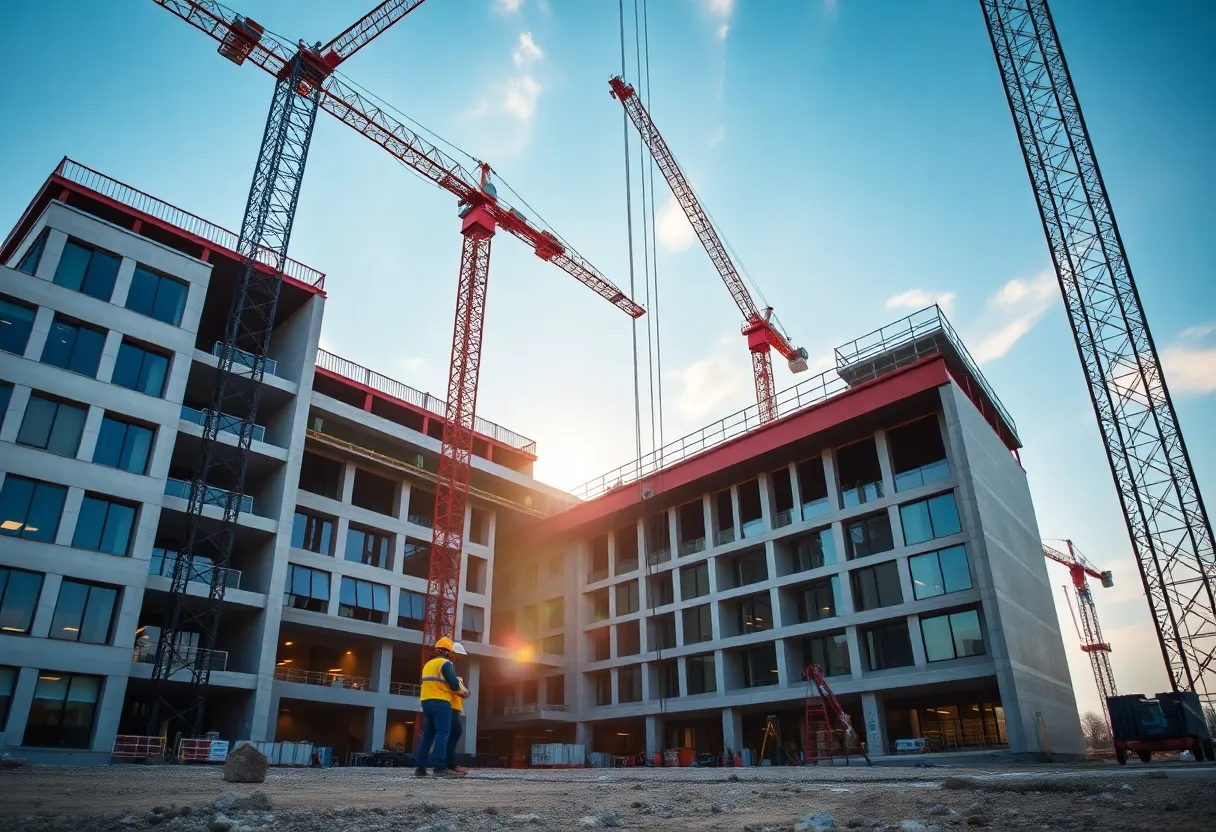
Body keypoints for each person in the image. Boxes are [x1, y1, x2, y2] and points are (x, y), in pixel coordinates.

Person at [414, 637, 464, 778]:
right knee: (443, 733)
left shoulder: (428, 664)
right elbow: (454, 685)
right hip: (441, 702)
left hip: (426, 701)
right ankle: (440, 768)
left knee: (428, 735)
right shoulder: (446, 664)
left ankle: (420, 769)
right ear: (448, 652)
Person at [445, 642, 471, 774]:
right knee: (454, 732)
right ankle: (448, 764)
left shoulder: (449, 667)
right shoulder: (446, 666)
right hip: (448, 707)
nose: (459, 658)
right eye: (458, 655)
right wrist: (463, 691)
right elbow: (453, 687)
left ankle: (448, 764)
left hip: (452, 708)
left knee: (451, 734)